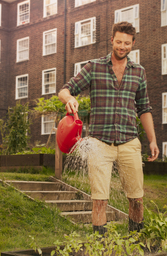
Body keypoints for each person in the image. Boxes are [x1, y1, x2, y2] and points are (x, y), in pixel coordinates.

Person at [58, 21, 159, 234]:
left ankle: (136, 242)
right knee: (100, 200)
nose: (122, 47)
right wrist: (68, 99)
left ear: (133, 44)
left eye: (127, 43)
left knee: (137, 199)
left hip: (129, 141)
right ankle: (100, 249)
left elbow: (144, 108)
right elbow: (66, 89)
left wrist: (152, 140)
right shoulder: (94, 67)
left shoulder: (139, 72)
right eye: (119, 42)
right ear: (112, 40)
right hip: (99, 143)